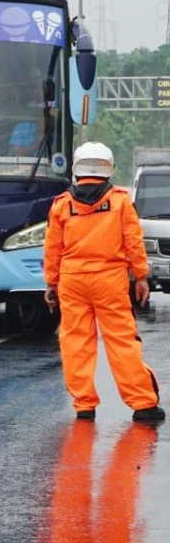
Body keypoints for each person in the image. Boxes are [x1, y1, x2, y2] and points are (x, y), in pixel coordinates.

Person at [43, 141, 165, 422]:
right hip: (110, 281)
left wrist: (52, 283)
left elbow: (52, 248)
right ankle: (143, 404)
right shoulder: (120, 201)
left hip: (73, 281)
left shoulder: (62, 205)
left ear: (77, 167)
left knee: (75, 342)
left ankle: (84, 404)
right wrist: (141, 277)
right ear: (108, 167)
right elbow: (133, 242)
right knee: (122, 341)